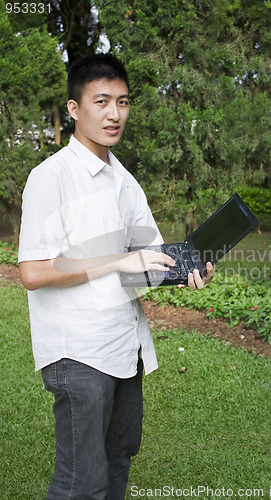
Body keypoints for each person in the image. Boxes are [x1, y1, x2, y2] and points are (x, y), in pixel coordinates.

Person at [18, 53, 214, 500]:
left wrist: (185, 268)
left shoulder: (124, 179)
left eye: (122, 102)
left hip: (125, 346)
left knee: (118, 458)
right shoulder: (51, 177)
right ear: (74, 109)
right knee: (80, 480)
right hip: (78, 351)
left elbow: (148, 259)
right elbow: (32, 272)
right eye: (101, 100)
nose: (114, 113)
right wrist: (115, 260)